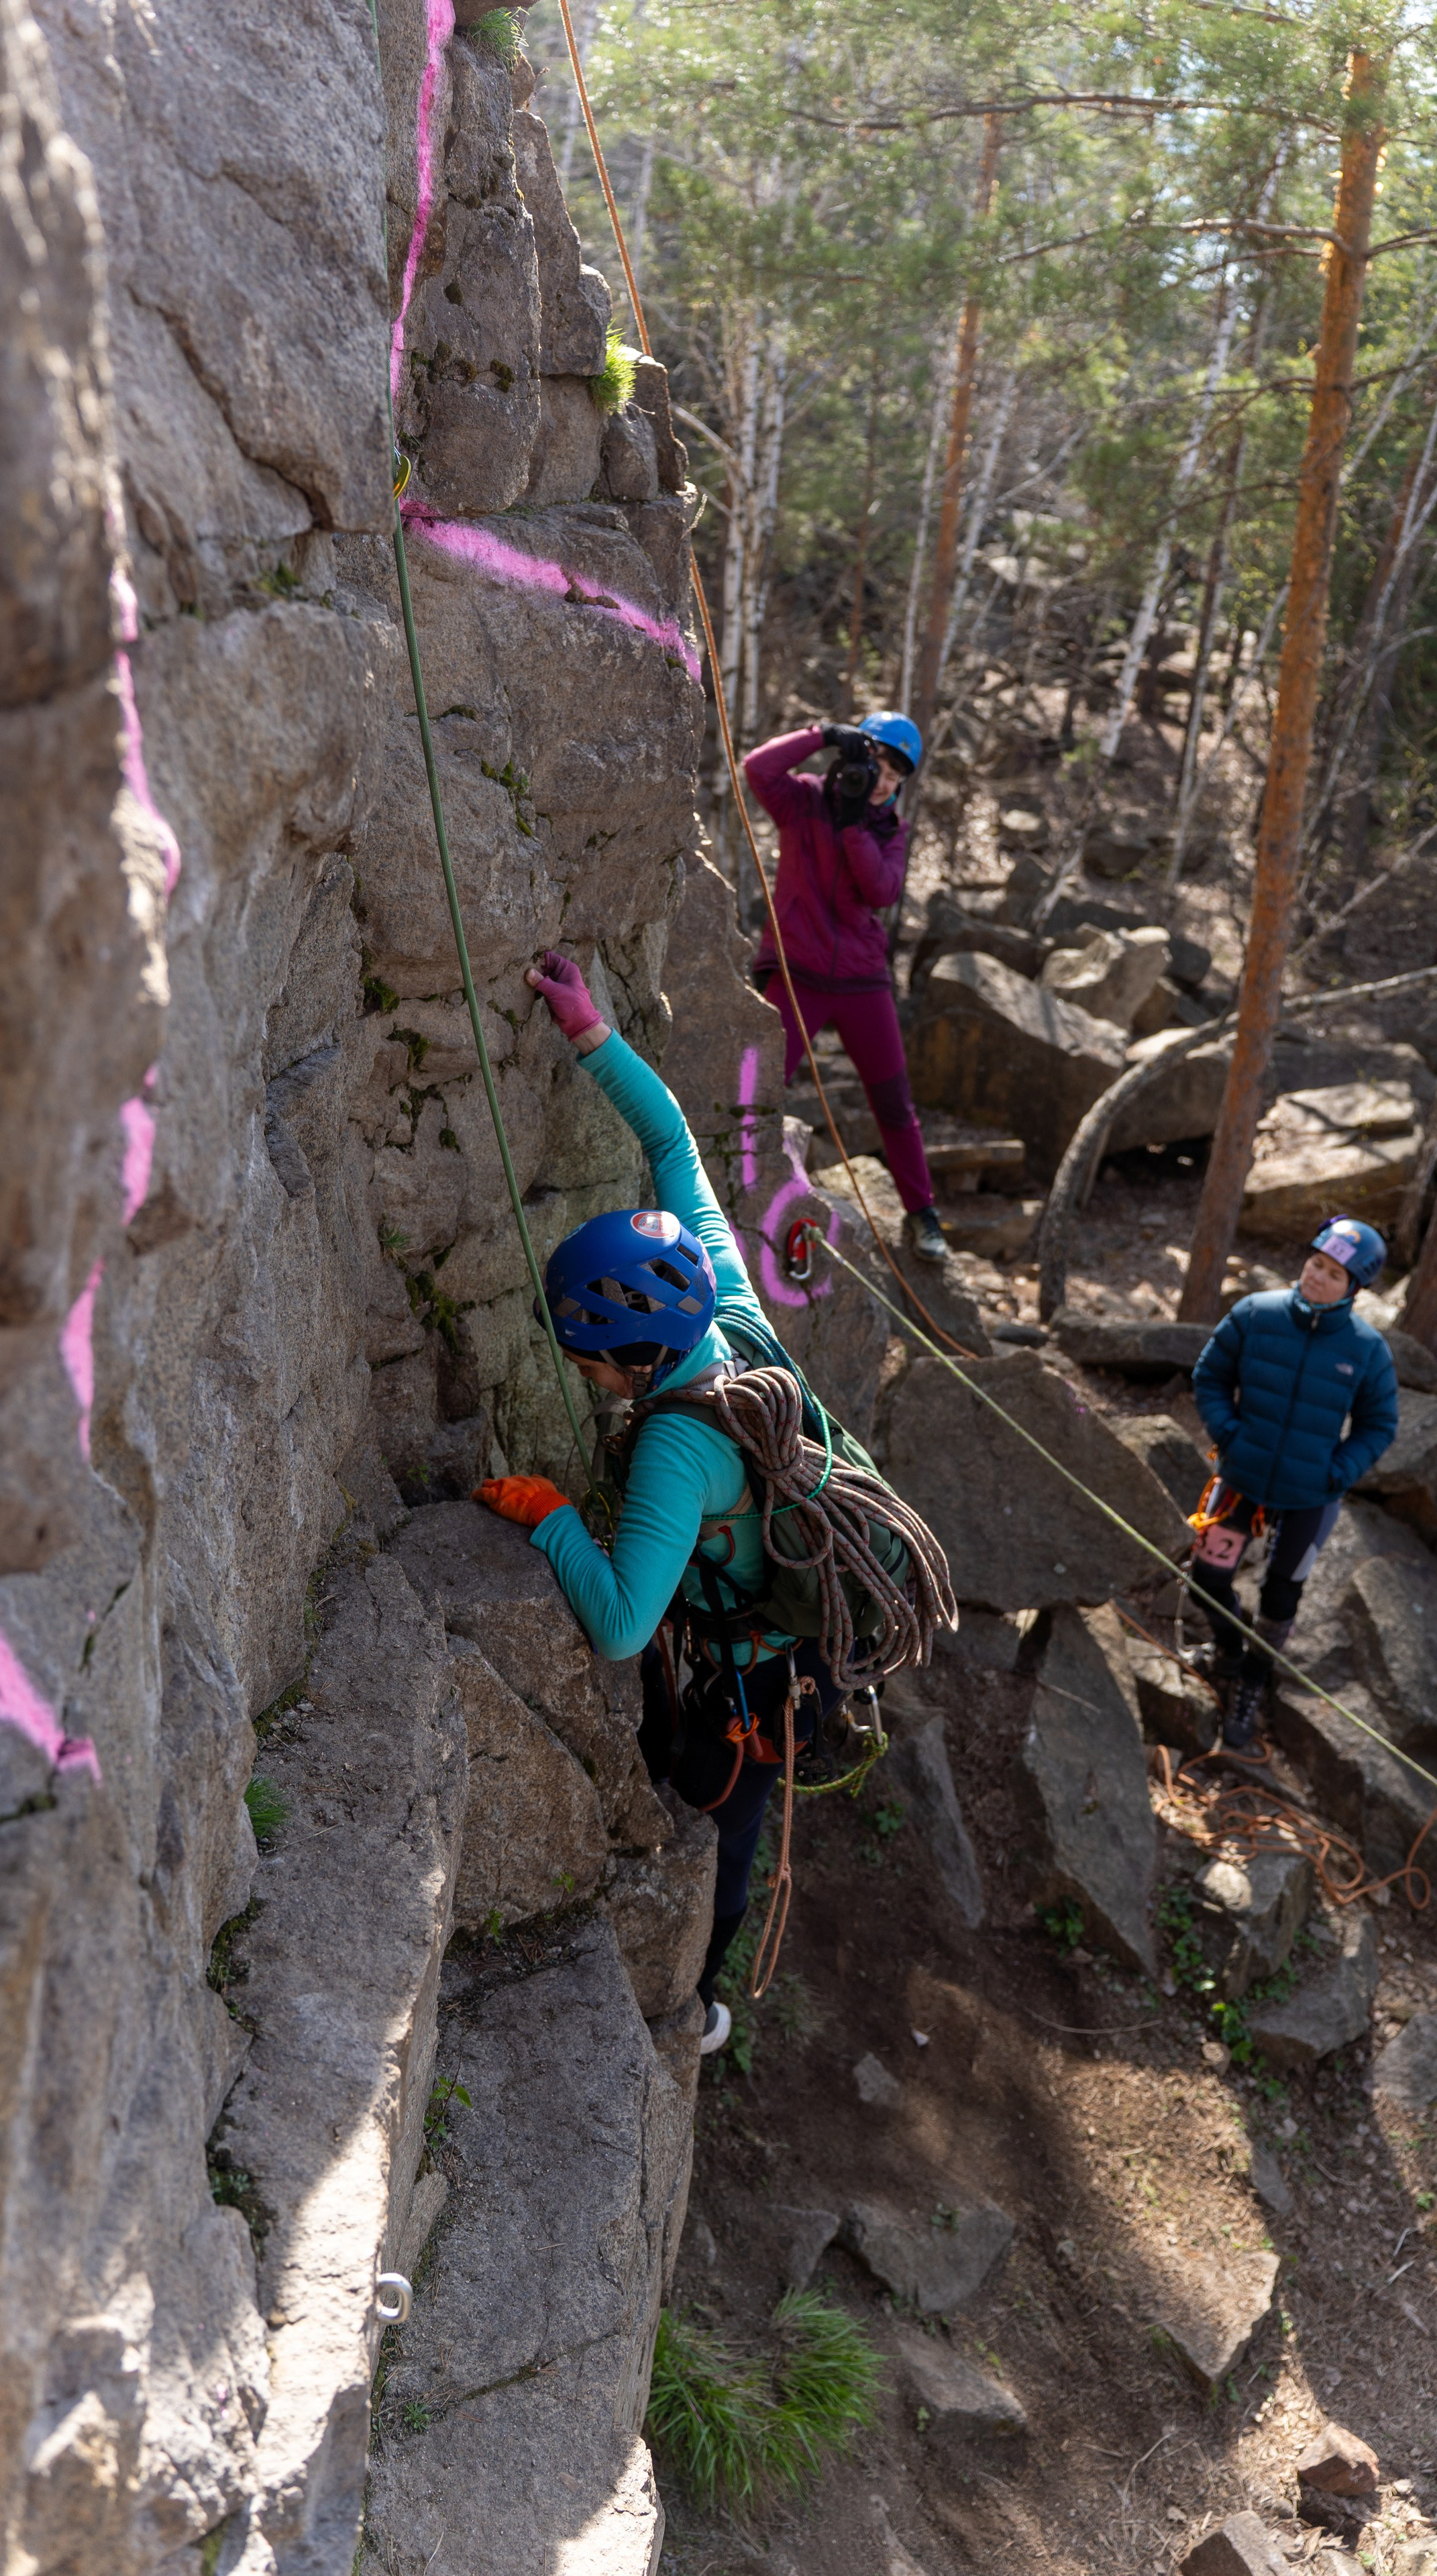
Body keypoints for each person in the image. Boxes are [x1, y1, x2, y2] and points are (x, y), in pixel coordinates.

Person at [472, 951, 855, 2058]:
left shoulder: (675, 1454)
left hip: (762, 1673)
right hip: (792, 1615)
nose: (581, 1373)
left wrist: (547, 1514)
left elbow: (624, 1622)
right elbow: (675, 1146)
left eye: (585, 1359)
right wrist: (589, 1032)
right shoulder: (724, 1302)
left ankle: (701, 2001)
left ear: (632, 1360)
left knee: (721, 1820)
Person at [743, 712, 950, 1265]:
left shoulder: (892, 831)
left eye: (895, 774)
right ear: (853, 757)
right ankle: (735, 1184)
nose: (882, 780)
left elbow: (881, 891)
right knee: (757, 1087)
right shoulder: (804, 800)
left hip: (862, 980)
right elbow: (756, 768)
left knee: (894, 1103)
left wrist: (856, 824)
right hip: (799, 971)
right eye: (876, 763)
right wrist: (821, 734)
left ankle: (922, 1213)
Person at [1188, 1218, 1399, 1755]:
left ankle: (1252, 1685)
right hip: (1240, 1478)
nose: (1318, 1279)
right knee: (1205, 1579)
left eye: (1334, 1275)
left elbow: (1379, 1424)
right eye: (1315, 1265)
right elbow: (1210, 1376)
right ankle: (1229, 1650)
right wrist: (1229, 1433)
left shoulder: (1367, 1350)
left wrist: (1339, 1471)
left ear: (1355, 1288)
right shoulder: (1255, 1315)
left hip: (1312, 1495)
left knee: (1281, 1598)